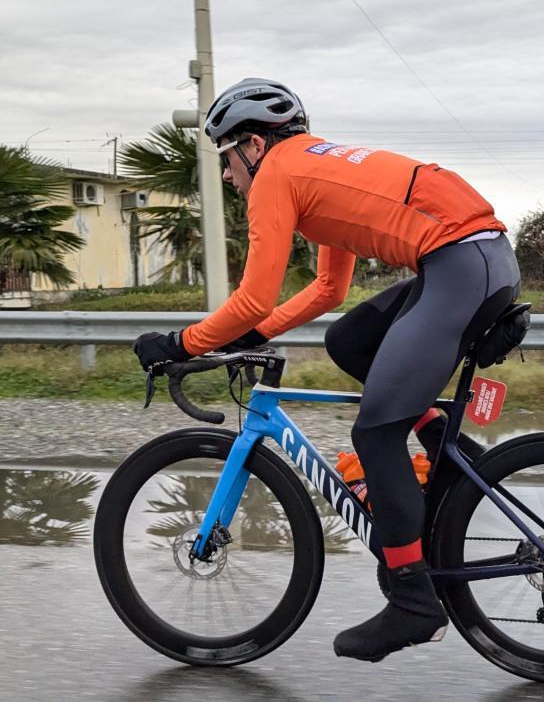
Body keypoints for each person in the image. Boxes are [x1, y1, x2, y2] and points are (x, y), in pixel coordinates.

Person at [130, 78, 521, 662]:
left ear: (254, 146)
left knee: (375, 432)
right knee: (349, 341)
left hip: (461, 265)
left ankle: (414, 602)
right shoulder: (312, 171)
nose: (229, 177)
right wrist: (254, 335)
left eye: (227, 160)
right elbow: (328, 289)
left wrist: (180, 343)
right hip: (471, 260)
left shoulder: (278, 177)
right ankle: (447, 452)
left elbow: (255, 295)